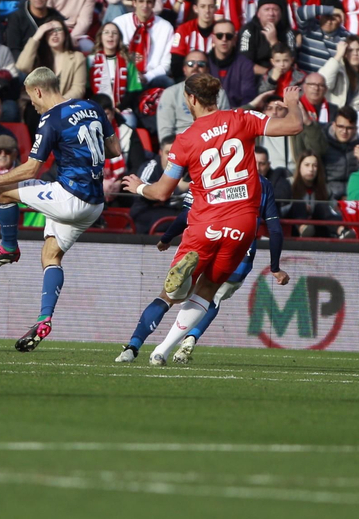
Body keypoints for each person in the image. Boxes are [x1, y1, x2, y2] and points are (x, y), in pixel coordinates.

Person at [119, 74, 302, 365]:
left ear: (190, 98)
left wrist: (140, 186)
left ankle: (140, 339)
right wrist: (293, 103)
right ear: (215, 96)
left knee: (169, 293)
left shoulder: (185, 139)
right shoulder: (242, 117)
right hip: (243, 225)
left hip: (205, 223)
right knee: (208, 291)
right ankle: (162, 351)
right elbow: (294, 125)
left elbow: (162, 192)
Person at [0, 66, 123, 351]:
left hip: (70, 197)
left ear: (38, 91)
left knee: (1, 192)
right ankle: (44, 319)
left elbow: (32, 168)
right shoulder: (92, 106)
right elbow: (114, 151)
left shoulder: (51, 119)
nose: (33, 106)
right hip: (95, 204)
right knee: (51, 254)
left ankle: (8, 248)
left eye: (31, 99)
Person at [117, 153, 288, 363]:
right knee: (210, 295)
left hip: (206, 236)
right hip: (239, 247)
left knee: (169, 296)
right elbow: (274, 229)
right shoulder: (263, 184)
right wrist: (275, 267)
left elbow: (186, 214)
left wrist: (167, 237)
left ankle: (133, 346)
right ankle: (182, 342)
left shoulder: (208, 173)